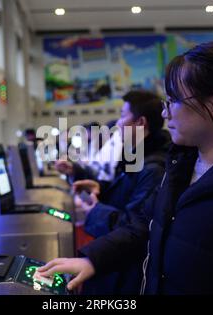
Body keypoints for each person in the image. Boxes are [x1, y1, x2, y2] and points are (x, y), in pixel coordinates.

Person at [38, 42, 213, 294]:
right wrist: (93, 259)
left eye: (173, 101)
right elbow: (145, 224)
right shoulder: (183, 165)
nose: (164, 113)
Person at [73, 90, 171, 294]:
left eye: (123, 115)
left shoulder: (153, 168)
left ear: (140, 122)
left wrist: (94, 209)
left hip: (128, 274)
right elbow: (128, 198)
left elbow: (136, 227)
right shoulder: (138, 158)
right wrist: (101, 191)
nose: (118, 123)